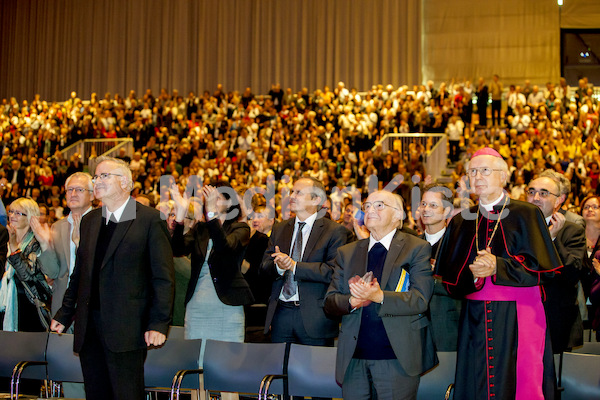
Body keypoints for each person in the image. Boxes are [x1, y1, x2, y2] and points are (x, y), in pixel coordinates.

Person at [436, 148, 563, 400]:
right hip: (474, 317)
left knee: (516, 380)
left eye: (485, 170)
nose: (478, 176)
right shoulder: (461, 220)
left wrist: (498, 267)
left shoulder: (526, 213)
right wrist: (473, 275)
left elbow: (545, 269)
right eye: (472, 171)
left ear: (503, 176)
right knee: (475, 380)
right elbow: (450, 280)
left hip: (517, 314)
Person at [51, 156, 174, 400]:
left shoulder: (149, 219)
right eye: (96, 176)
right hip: (90, 328)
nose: (97, 181)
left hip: (127, 329)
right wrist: (65, 313)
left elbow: (163, 277)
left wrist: (158, 323)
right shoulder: (90, 220)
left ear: (125, 183)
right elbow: (80, 274)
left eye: (104, 176)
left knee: (126, 394)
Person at [324, 190, 436, 400]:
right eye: (367, 206)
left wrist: (379, 296)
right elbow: (330, 302)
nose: (370, 210)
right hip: (353, 359)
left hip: (396, 358)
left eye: (379, 205)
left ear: (399, 215)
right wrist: (352, 301)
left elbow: (420, 300)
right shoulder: (346, 253)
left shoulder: (417, 249)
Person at [261, 177, 347, 399]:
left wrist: (295, 266)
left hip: (314, 316)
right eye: (293, 191)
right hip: (281, 314)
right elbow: (264, 267)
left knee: (318, 386)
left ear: (316, 199)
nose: (292, 196)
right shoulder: (281, 228)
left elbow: (332, 271)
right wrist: (280, 268)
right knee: (285, 384)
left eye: (299, 192)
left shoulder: (333, 231)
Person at [33, 172, 94, 399]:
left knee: (94, 371)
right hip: (63, 308)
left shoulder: (103, 222)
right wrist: (45, 244)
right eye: (70, 190)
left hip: (93, 306)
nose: (73, 194)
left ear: (92, 194)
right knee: (70, 372)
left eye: (79, 189)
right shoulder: (58, 227)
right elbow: (53, 271)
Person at [526, 171, 585, 355]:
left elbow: (572, 274)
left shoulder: (571, 230)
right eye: (531, 192)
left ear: (558, 200)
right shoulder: (514, 227)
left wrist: (552, 239)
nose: (535, 198)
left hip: (555, 322)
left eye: (543, 193)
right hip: (519, 318)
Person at [418, 183, 461, 351]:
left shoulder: (458, 244)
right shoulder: (411, 245)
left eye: (433, 205)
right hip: (414, 328)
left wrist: (431, 276)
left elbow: (461, 285)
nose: (426, 209)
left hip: (446, 327)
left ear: (448, 211)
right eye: (423, 204)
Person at [0, 198, 48, 332]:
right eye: (11, 212)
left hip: (28, 308)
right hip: (6, 304)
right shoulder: (6, 239)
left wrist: (15, 249)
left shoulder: (37, 242)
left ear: (30, 217)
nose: (12, 216)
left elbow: (28, 276)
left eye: (18, 213)